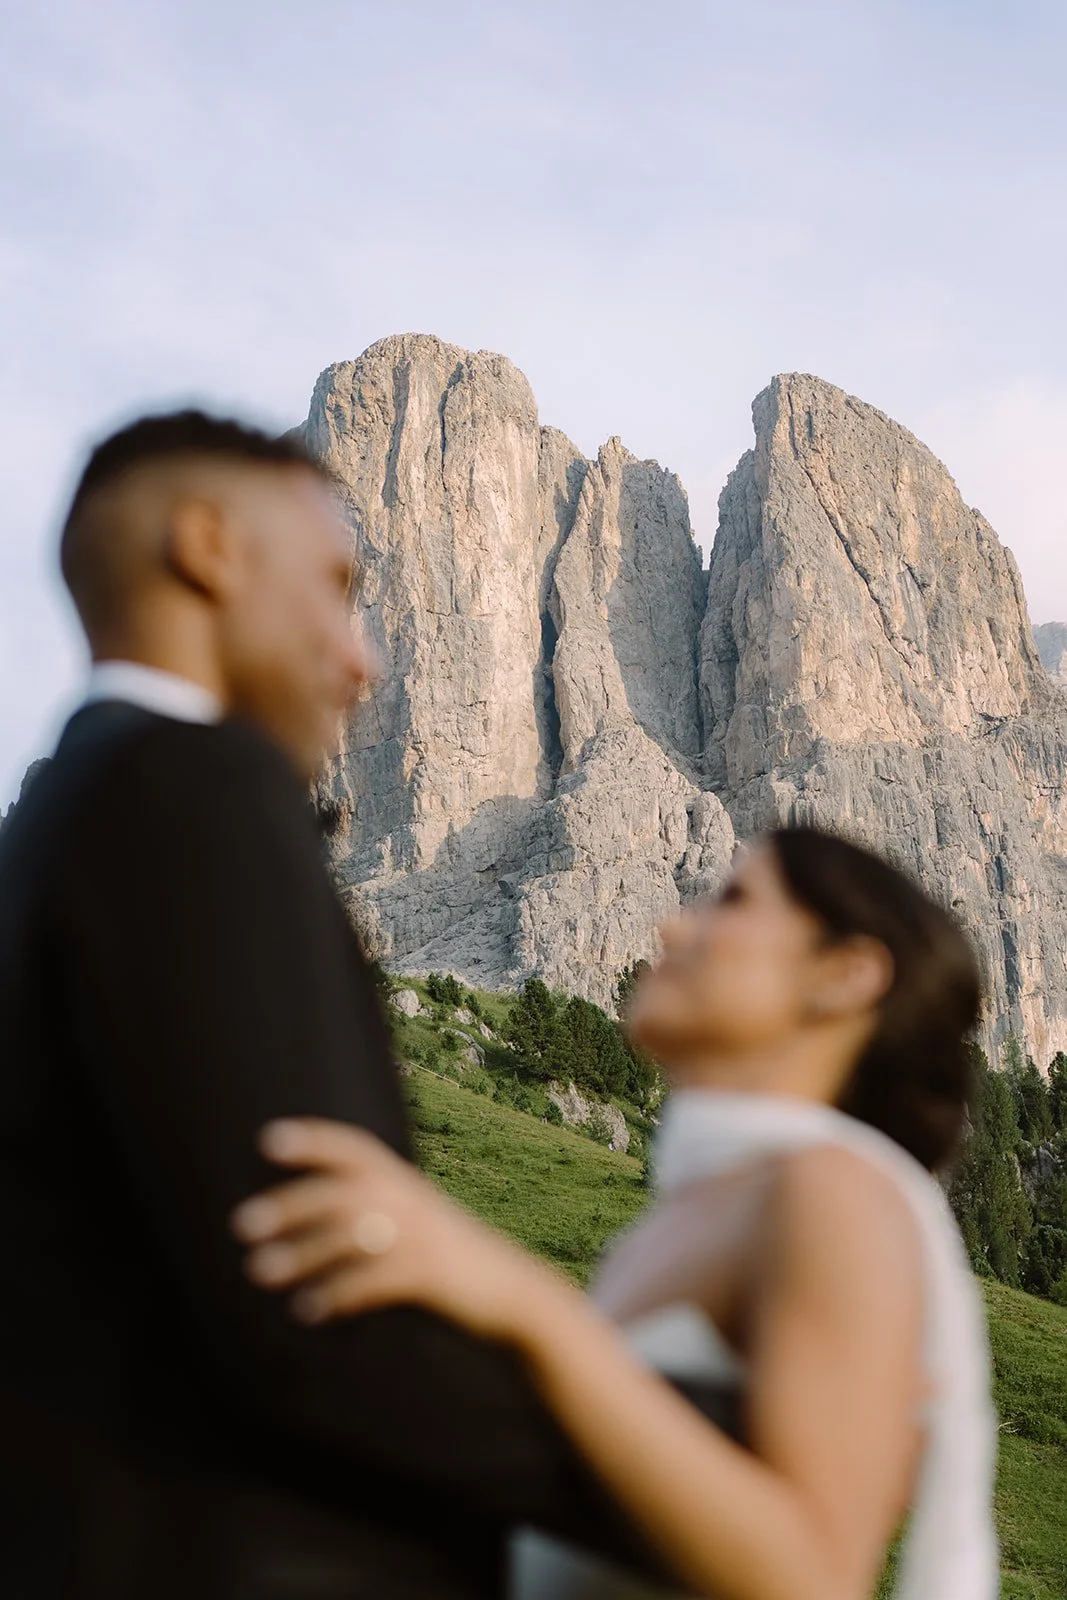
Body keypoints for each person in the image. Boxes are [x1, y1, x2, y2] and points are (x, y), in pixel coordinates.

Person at [0, 410, 724, 1599]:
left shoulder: (56, 829)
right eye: (336, 586)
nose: (365, 658)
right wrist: (670, 1470)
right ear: (209, 548)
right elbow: (310, 1301)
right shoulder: (202, 792)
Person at [233, 828, 1000, 1600]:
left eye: (731, 900)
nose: (672, 927)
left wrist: (522, 1304)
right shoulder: (677, 1222)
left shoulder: (833, 1192)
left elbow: (814, 1578)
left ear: (844, 973)